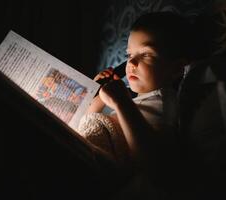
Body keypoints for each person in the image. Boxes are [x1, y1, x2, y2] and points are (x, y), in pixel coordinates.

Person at [78, 12, 195, 181]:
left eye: (146, 54)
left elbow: (153, 162)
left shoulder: (162, 101)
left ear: (176, 69)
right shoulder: (133, 98)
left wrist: (121, 103)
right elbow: (88, 119)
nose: (131, 63)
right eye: (129, 55)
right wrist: (98, 95)